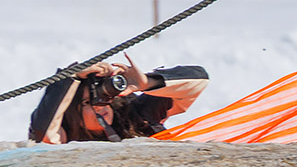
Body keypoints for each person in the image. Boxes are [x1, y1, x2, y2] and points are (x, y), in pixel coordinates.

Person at [28, 59, 209, 144]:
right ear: (70, 110)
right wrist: (71, 77)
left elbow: (198, 81)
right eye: (88, 102)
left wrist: (147, 83)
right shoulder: (64, 138)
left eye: (104, 98)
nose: (100, 106)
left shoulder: (136, 116)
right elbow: (45, 130)